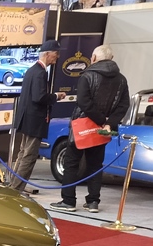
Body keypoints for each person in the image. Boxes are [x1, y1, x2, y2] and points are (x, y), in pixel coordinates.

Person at [51, 45, 129, 213]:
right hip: (103, 129)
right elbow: (124, 105)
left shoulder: (87, 75)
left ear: (93, 58)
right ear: (111, 58)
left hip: (82, 127)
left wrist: (99, 120)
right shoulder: (122, 79)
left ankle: (68, 201)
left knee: (71, 163)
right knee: (95, 165)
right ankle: (93, 202)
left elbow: (84, 102)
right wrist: (108, 123)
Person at [8, 40, 66, 192]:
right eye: (56, 53)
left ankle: (13, 185)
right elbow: (39, 97)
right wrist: (56, 96)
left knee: (23, 153)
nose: (57, 56)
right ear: (47, 54)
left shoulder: (31, 70)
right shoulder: (40, 73)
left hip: (27, 119)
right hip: (34, 121)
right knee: (29, 156)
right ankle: (16, 189)